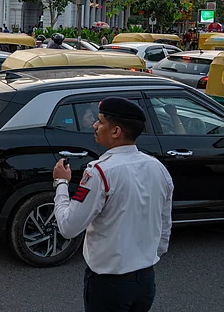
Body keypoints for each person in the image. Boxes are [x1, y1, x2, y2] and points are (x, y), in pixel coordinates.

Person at [52, 98, 174, 312]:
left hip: (110, 284)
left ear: (116, 131)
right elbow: (164, 226)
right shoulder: (158, 168)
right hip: (145, 279)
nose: (94, 126)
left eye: (100, 122)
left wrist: (61, 183)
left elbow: (69, 227)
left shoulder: (99, 172)